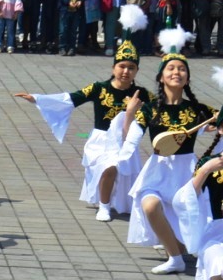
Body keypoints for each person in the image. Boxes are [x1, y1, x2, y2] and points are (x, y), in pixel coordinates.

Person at [14, 12, 150, 221]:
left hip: (126, 142)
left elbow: (164, 110)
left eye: (131, 67)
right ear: (113, 67)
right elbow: (71, 99)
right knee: (109, 168)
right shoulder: (99, 88)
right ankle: (104, 206)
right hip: (102, 141)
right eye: (122, 66)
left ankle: (117, 203)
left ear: (137, 70)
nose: (125, 71)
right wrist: (38, 99)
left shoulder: (142, 94)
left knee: (122, 175)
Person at [118, 28, 215, 272]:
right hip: (158, 171)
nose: (177, 72)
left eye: (182, 69)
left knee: (187, 237)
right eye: (171, 69)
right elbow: (132, 136)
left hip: (187, 173)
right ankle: (175, 260)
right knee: (149, 204)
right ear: (162, 77)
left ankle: (178, 250)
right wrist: (125, 153)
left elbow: (218, 124)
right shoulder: (150, 109)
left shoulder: (198, 110)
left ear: (187, 78)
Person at [171, 151, 223, 280]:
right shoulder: (211, 162)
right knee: (218, 261)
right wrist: (205, 171)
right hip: (218, 231)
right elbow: (185, 200)